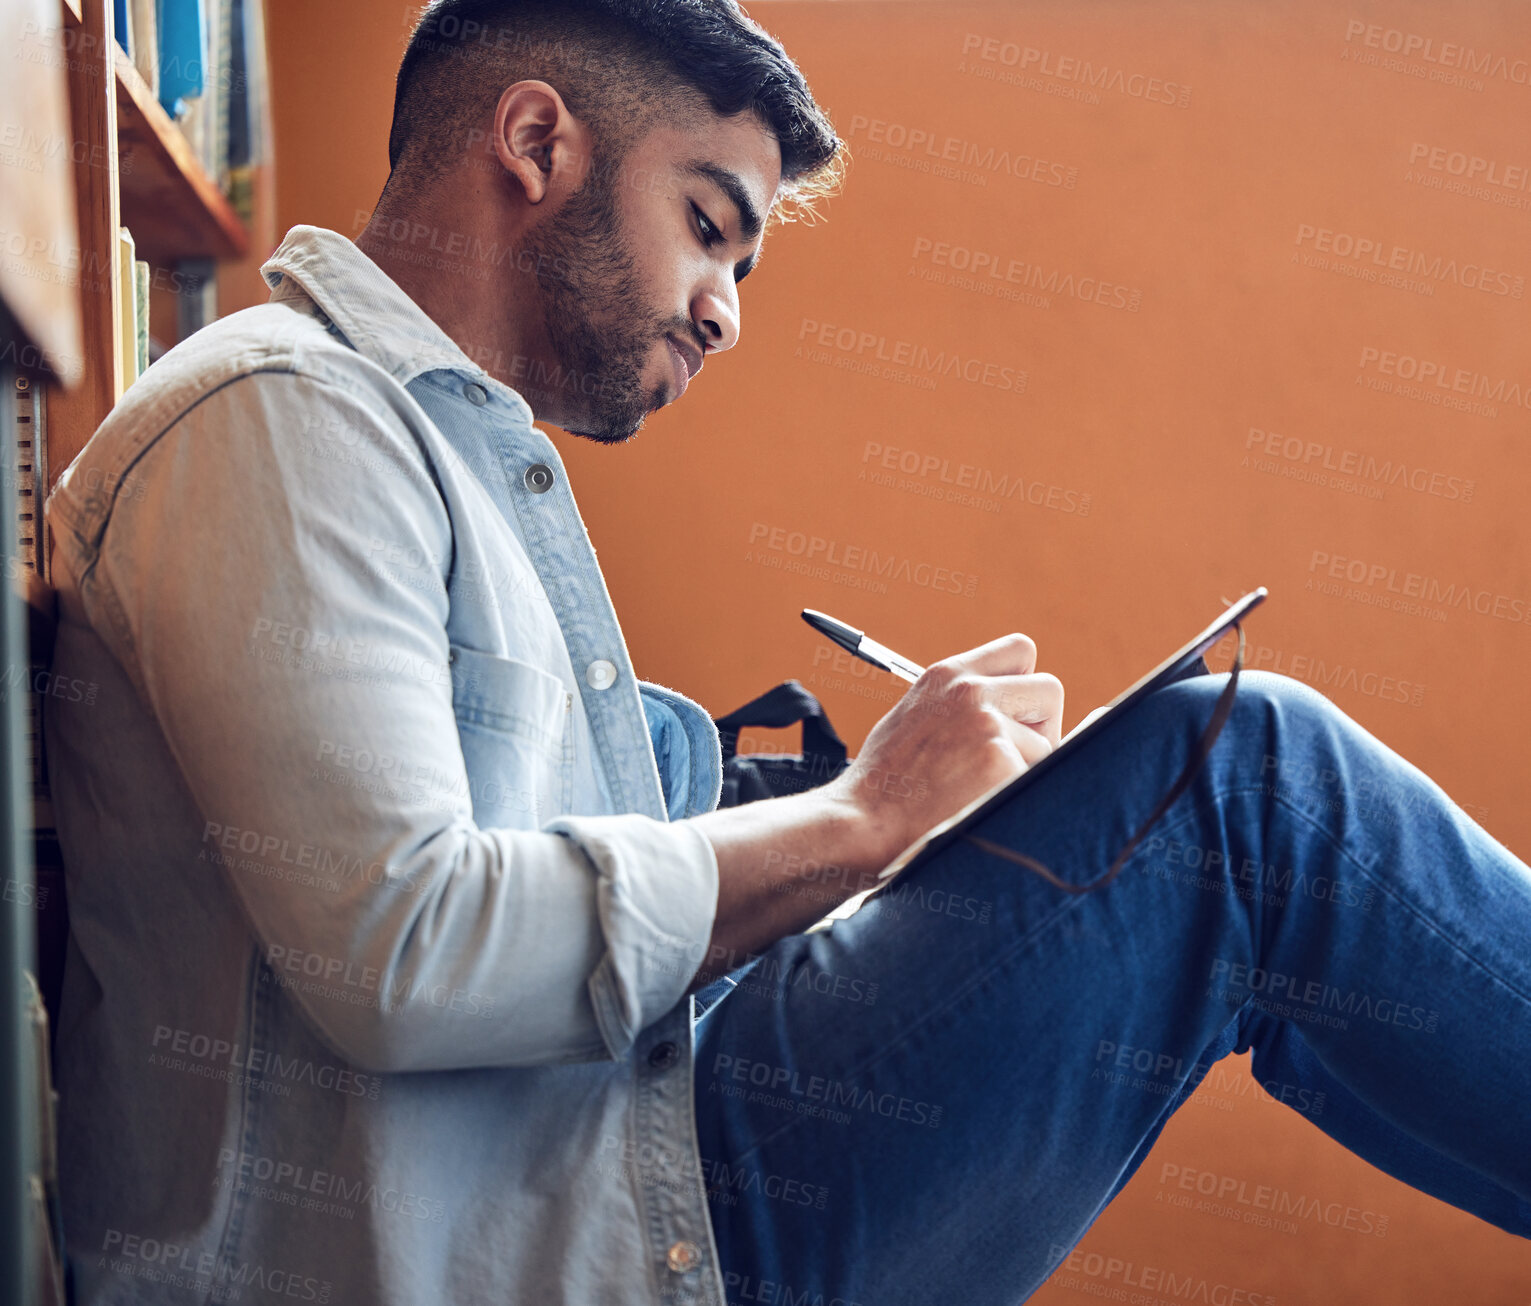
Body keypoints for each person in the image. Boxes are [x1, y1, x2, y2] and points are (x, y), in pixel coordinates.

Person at [44, 1, 1529, 1303]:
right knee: (1245, 783)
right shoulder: (282, 418)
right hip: (602, 1228)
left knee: (1202, 800)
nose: (726, 314)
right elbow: (399, 946)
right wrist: (858, 819)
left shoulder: (431, 457)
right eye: (708, 225)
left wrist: (868, 841)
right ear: (537, 141)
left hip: (651, 1145)